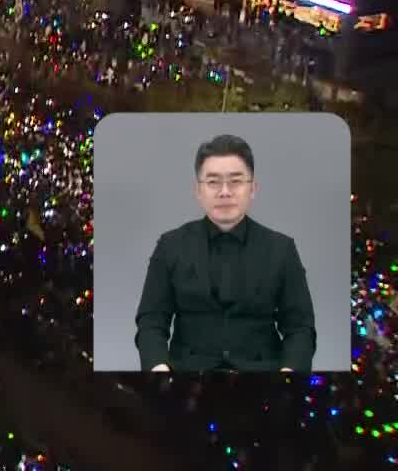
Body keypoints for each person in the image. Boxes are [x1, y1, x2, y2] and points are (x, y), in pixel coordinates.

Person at [133, 134, 317, 372]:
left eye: (236, 181)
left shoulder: (282, 249)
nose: (225, 192)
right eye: (213, 182)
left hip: (264, 382)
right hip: (186, 381)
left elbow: (300, 327)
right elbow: (151, 322)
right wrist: (158, 369)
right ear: (198, 190)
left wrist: (289, 374)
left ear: (253, 188)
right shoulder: (170, 246)